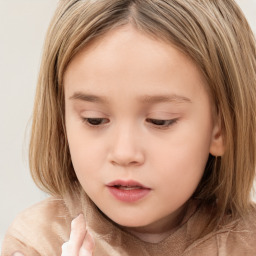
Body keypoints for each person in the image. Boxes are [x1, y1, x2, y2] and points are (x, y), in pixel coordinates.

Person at [2, 0, 256, 255]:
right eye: (94, 119)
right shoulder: (38, 243)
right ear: (61, 121)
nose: (124, 153)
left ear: (220, 127)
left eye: (160, 120)